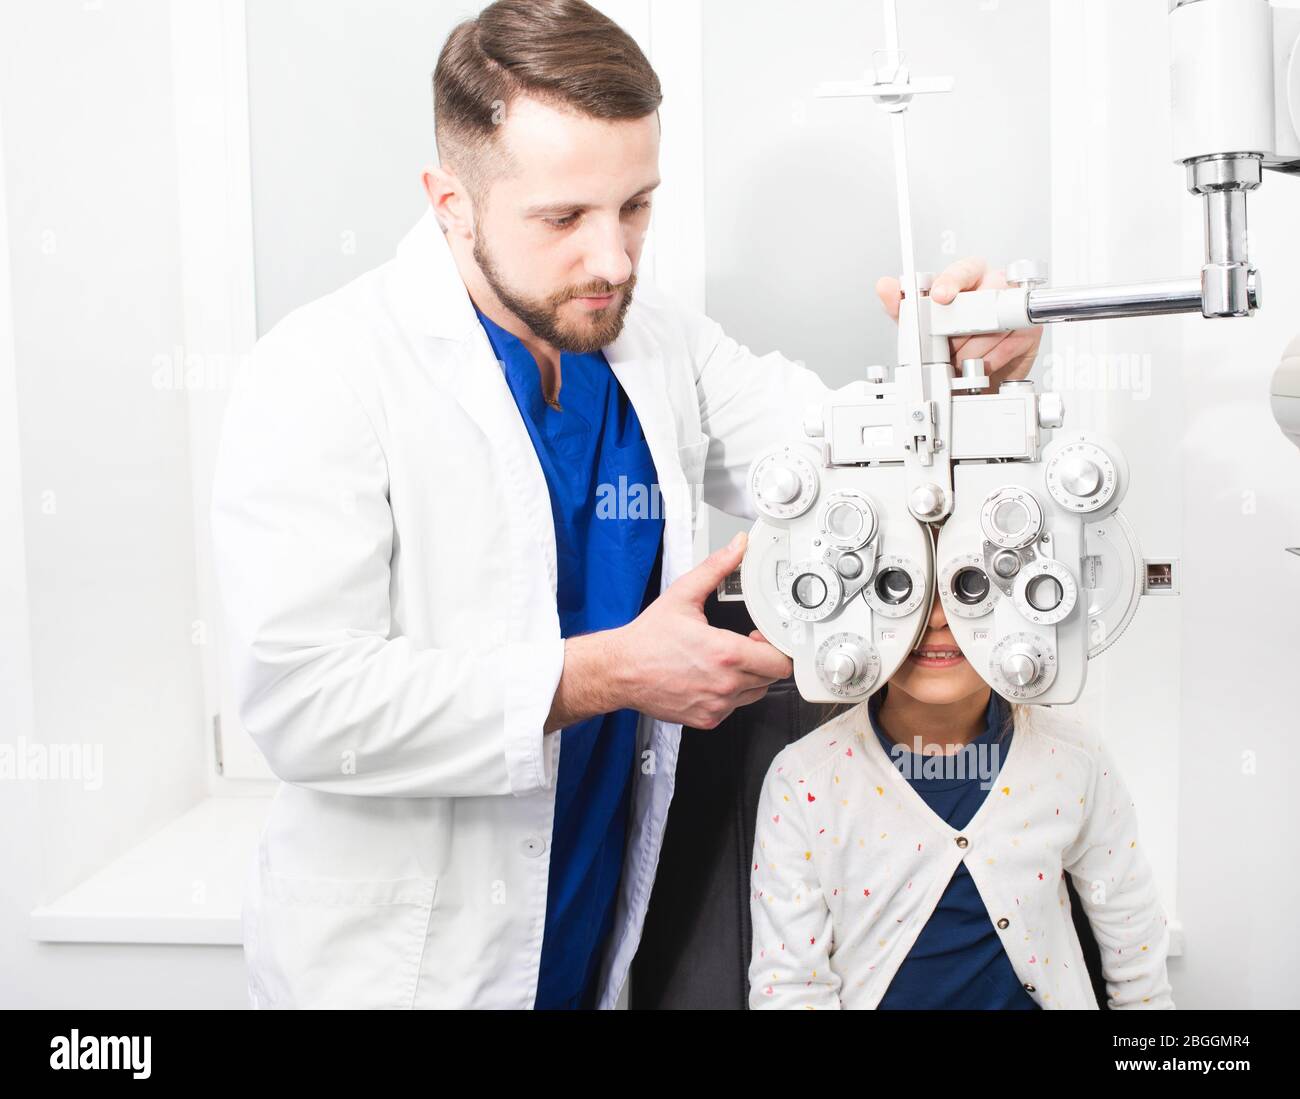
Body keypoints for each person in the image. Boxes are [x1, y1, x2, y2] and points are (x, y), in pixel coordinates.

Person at [210, 0, 1041, 1009]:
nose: (611, 259)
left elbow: (860, 478)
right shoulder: (325, 372)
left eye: (635, 205)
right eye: (562, 218)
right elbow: (303, 703)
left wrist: (964, 377)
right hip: (394, 979)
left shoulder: (659, 344)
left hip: (590, 950)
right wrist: (607, 673)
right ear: (450, 202)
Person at [748, 593, 1175, 1009]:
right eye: (899, 586)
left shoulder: (1073, 758)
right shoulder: (804, 778)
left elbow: (1130, 925)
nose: (937, 619)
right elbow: (790, 985)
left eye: (970, 586)